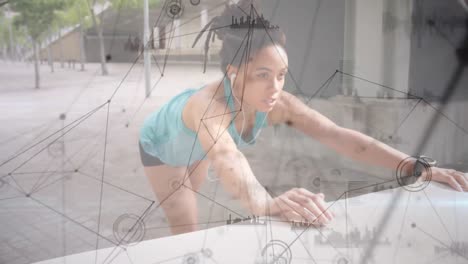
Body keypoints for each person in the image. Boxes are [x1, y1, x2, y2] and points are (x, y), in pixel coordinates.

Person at [139, 0, 467, 235]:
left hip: (199, 146)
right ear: (234, 72)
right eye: (263, 75)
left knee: (191, 204)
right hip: (162, 145)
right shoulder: (207, 106)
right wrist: (264, 203)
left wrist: (414, 166)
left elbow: (339, 136)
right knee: (185, 222)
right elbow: (227, 156)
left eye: (281, 75)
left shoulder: (280, 102)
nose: (275, 87)